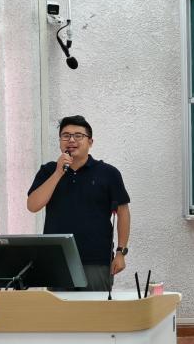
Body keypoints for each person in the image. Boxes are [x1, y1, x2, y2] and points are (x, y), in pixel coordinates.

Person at [27, 115, 131, 291]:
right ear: (60, 141)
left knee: (95, 308)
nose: (71, 140)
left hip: (96, 261)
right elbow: (33, 205)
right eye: (66, 135)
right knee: (59, 309)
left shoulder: (108, 173)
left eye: (78, 135)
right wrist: (58, 173)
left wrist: (121, 252)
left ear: (90, 142)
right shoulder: (48, 171)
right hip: (58, 260)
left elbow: (123, 212)